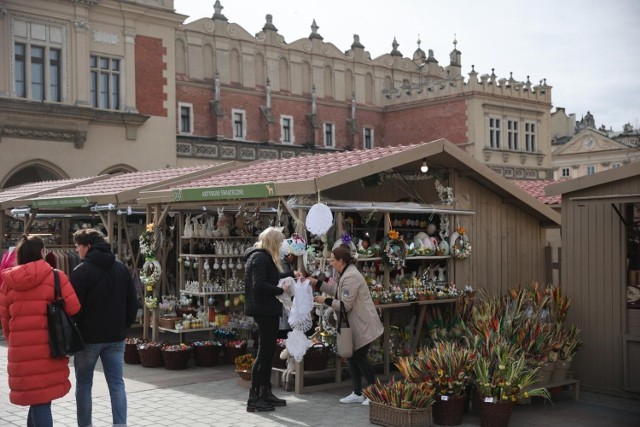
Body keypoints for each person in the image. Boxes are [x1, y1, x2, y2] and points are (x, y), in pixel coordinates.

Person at [0, 235, 81, 426]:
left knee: (37, 399)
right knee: (42, 400)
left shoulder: (8, 282)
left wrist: (15, 341)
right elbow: (74, 307)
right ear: (42, 252)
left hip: (21, 350)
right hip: (50, 346)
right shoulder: (56, 276)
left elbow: (5, 320)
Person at [70, 228, 138, 427]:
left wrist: (78, 328)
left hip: (88, 339)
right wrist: (124, 326)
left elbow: (73, 307)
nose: (76, 250)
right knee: (117, 384)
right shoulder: (121, 268)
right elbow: (132, 302)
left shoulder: (81, 271)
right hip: (116, 337)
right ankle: (120, 424)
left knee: (84, 385)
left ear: (88, 246)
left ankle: (85, 425)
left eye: (78, 246)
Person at [309, 244, 383, 406]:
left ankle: (376, 393)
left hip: (363, 325)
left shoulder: (351, 276)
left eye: (333, 260)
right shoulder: (346, 273)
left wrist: (325, 300)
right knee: (351, 357)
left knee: (359, 358)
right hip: (356, 324)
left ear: (341, 261)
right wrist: (317, 283)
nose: (331, 263)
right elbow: (337, 290)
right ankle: (357, 392)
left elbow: (345, 305)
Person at [244, 227, 298, 412]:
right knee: (264, 354)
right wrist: (280, 290)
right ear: (274, 242)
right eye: (281, 242)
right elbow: (259, 285)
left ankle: (265, 392)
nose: (282, 246)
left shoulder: (263, 257)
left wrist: (291, 275)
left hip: (268, 310)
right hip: (264, 310)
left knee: (268, 352)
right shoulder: (259, 257)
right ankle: (254, 397)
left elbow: (272, 277)